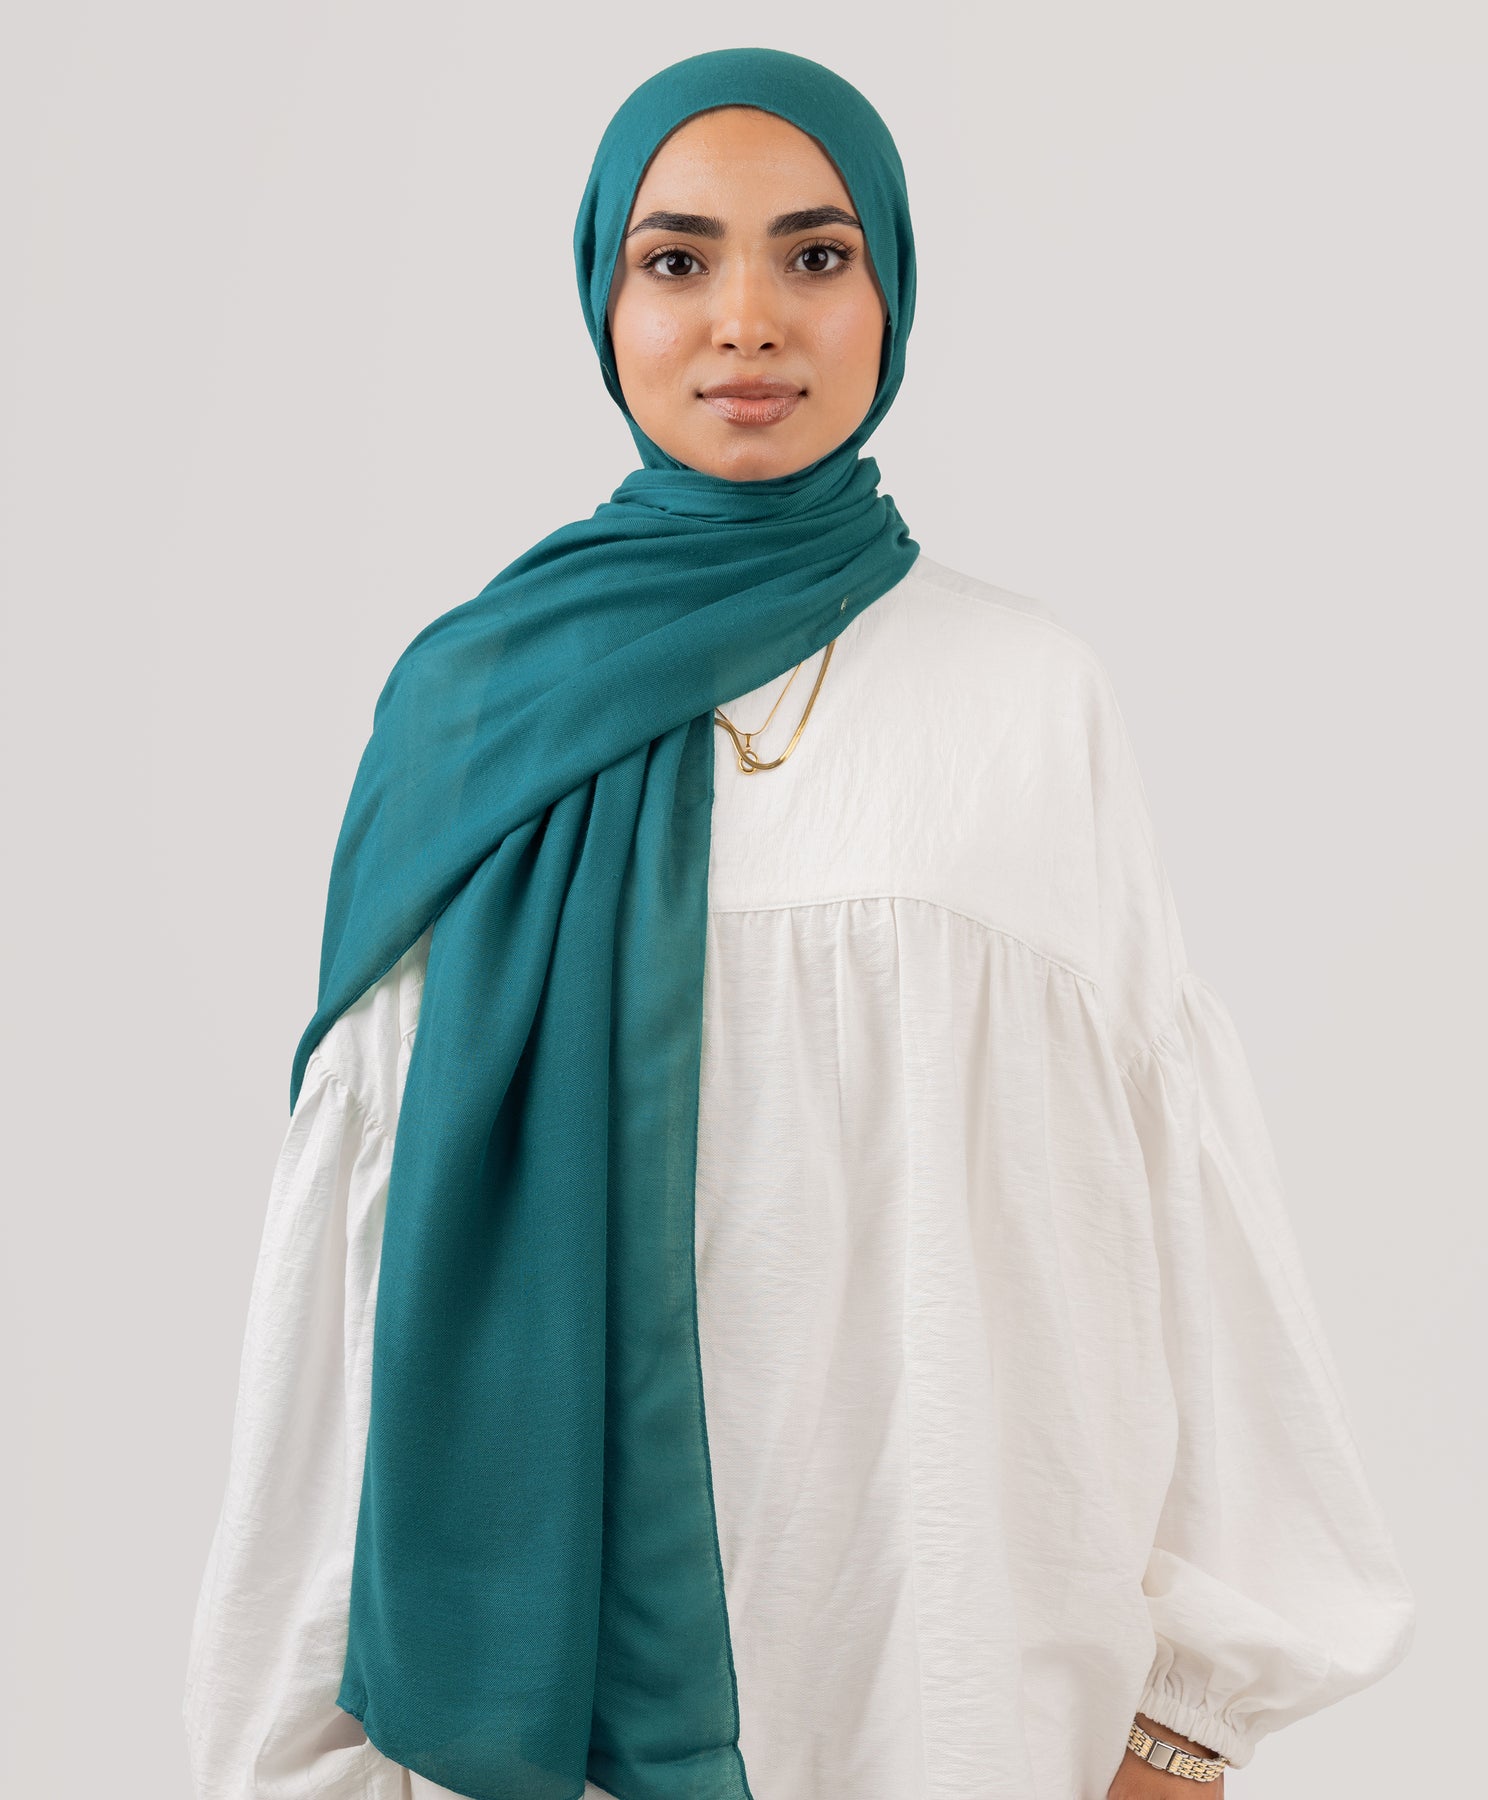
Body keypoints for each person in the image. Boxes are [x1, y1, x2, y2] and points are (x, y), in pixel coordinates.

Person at [181, 46, 1415, 1800]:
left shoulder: (1026, 696)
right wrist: (299, 1737)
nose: (746, 320)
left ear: (889, 292)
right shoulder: (466, 709)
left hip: (963, 1659)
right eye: (677, 259)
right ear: (605, 298)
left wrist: (1190, 1718)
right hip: (546, 1731)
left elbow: (1169, 1205)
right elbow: (357, 1263)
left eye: (815, 255)